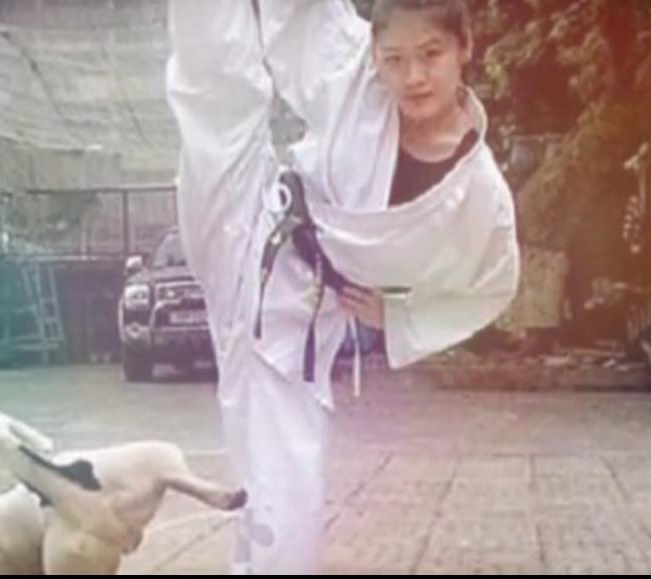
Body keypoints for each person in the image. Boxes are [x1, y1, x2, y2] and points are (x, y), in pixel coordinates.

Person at [166, 0, 520, 573]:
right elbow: (304, 16)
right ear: (375, 55)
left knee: (284, 509)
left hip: (300, 312)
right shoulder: (358, 73)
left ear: (464, 47)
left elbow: (494, 284)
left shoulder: (481, 195)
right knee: (215, 96)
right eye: (394, 59)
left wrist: (400, 317)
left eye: (431, 54)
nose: (413, 76)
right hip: (251, 216)